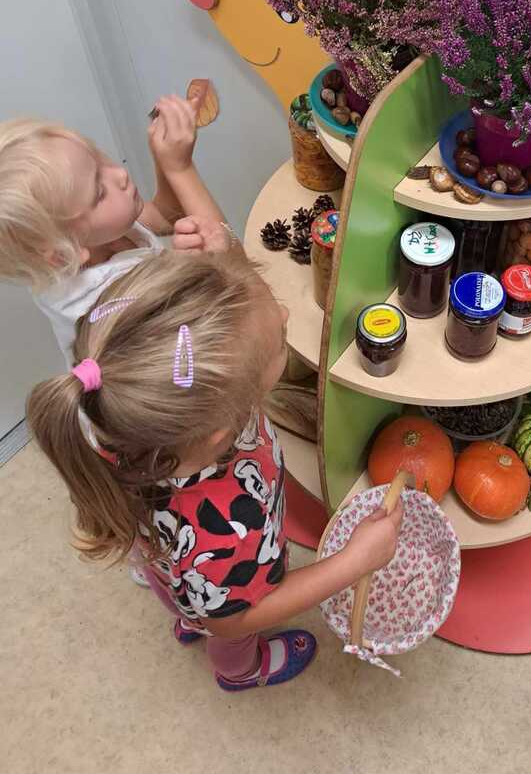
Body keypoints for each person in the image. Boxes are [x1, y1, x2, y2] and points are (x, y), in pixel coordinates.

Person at [26, 252, 403, 691]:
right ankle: (239, 671)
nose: (285, 315)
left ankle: (190, 611)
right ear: (221, 430)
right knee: (227, 632)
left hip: (175, 565)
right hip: (223, 590)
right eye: (280, 342)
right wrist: (353, 562)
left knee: (193, 601)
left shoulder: (124, 416)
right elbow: (236, 619)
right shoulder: (226, 532)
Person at [0, 97, 232, 367]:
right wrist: (180, 169)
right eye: (99, 192)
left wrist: (163, 158)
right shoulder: (116, 306)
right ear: (65, 251)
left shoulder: (99, 235)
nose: (120, 174)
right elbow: (236, 288)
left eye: (99, 158)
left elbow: (163, 216)